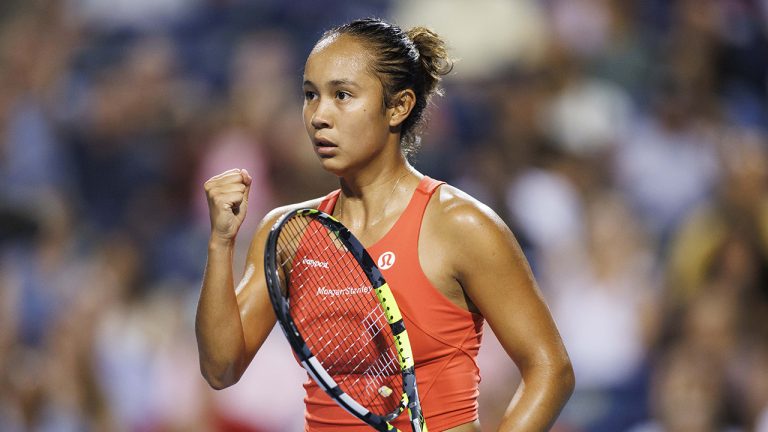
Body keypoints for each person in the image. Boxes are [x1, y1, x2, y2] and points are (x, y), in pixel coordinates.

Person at [196, 18, 574, 432]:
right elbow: (221, 368)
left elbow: (550, 369)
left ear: (398, 106)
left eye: (342, 95)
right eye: (310, 95)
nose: (319, 115)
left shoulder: (460, 224)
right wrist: (221, 242)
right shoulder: (287, 233)